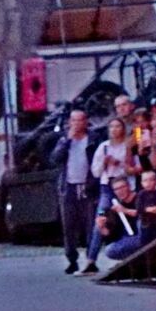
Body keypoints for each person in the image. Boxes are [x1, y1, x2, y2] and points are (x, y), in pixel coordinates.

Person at [50, 109, 101, 275]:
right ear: (70, 122)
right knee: (69, 226)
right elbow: (55, 159)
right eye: (74, 120)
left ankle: (90, 259)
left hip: (87, 186)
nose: (78, 124)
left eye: (81, 120)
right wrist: (67, 142)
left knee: (90, 225)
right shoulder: (64, 139)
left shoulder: (93, 139)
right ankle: (72, 260)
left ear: (86, 121)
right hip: (69, 187)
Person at [85, 118, 130, 271]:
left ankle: (126, 254)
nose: (114, 130)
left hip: (123, 183)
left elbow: (132, 167)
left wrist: (119, 164)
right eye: (112, 127)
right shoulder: (103, 147)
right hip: (107, 185)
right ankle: (91, 260)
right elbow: (95, 172)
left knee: (125, 218)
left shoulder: (127, 146)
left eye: (118, 126)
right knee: (101, 219)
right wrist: (104, 162)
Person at [106, 171, 156, 260]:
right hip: (131, 238)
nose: (120, 191)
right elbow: (113, 234)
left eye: (122, 187)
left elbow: (144, 212)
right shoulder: (117, 206)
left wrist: (125, 210)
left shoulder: (142, 196)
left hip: (148, 233)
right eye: (116, 189)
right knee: (110, 249)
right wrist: (102, 227)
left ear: (129, 186)